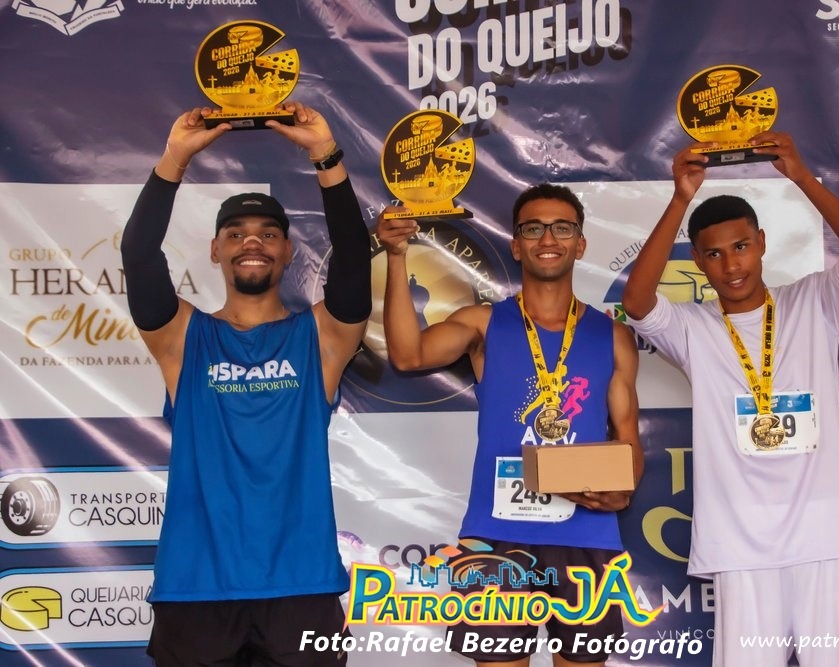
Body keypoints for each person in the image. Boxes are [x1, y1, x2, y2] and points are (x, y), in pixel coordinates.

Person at [622, 132, 839, 667]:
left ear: (761, 242)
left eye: (741, 247)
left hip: (825, 535)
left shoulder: (815, 301)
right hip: (740, 543)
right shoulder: (693, 327)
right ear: (698, 262)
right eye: (714, 254)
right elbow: (637, 302)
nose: (731, 265)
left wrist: (801, 176)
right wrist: (680, 199)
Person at [120, 102, 371, 666]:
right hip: (196, 588)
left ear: (287, 251)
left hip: (302, 586)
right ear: (215, 250)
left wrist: (325, 155)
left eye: (267, 234)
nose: (251, 242)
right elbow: (138, 255)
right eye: (235, 233)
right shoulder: (183, 339)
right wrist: (175, 158)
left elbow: (355, 261)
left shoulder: (322, 339)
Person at [376, 184, 643, 667]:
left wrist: (623, 491)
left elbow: (627, 437)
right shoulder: (484, 323)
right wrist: (397, 257)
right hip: (496, 536)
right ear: (517, 245)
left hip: (587, 537)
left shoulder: (614, 336)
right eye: (534, 228)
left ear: (580, 243)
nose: (549, 238)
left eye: (562, 228)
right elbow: (408, 355)